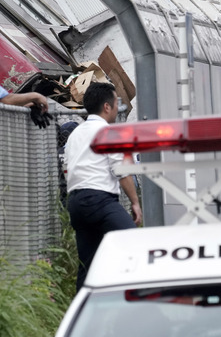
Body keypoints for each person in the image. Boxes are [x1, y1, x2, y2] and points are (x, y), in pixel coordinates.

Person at [64, 81, 142, 292]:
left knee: (87, 266)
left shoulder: (74, 135)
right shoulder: (109, 133)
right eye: (116, 103)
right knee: (133, 242)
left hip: (76, 203)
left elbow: (67, 168)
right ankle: (138, 294)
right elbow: (121, 171)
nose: (117, 108)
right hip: (99, 200)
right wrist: (135, 203)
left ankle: (80, 313)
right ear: (107, 107)